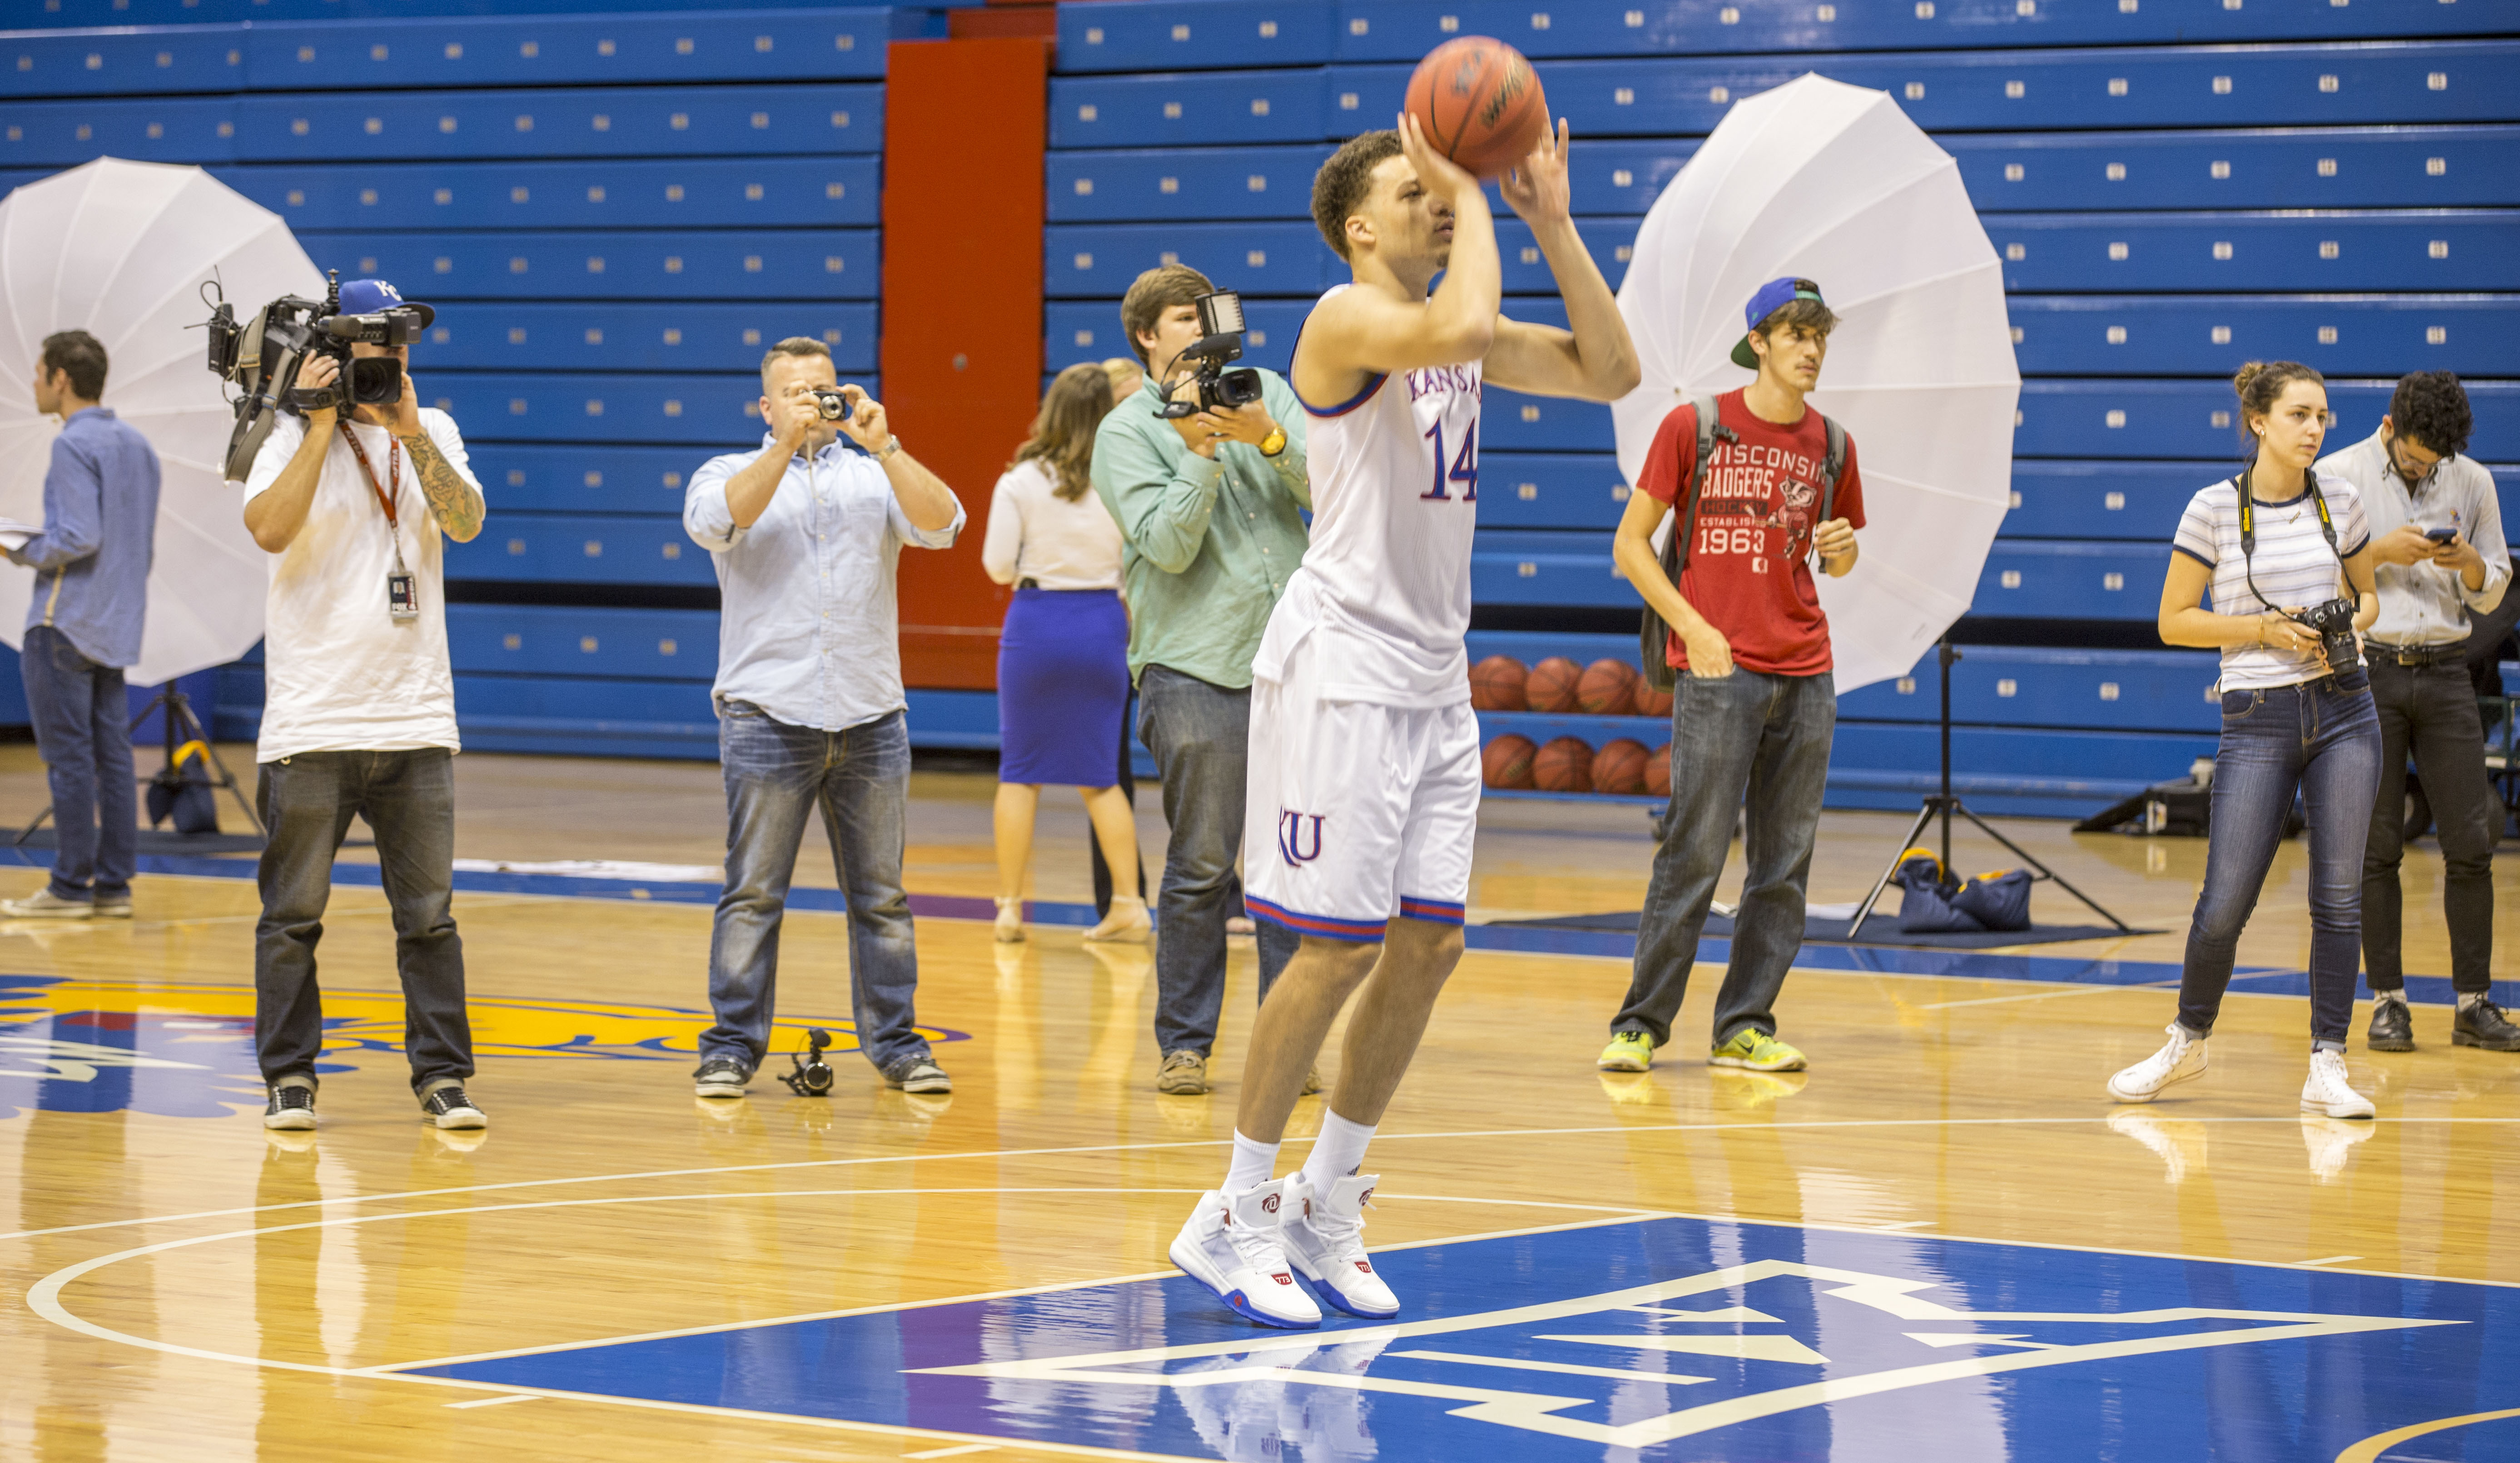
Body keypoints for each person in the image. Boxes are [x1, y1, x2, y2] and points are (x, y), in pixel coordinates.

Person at [1166, 117, 1638, 1329]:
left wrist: (1549, 217)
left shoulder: (1452, 337)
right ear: (1357, 227)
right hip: (1340, 670)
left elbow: (1610, 369)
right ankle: (1231, 1206)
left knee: (1428, 945)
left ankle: (1323, 1201)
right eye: (1411, 191)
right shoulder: (1340, 315)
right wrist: (1476, 186)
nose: (1435, 203)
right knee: (1330, 948)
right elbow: (1463, 321)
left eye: (1440, 192)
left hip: (1432, 677)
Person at [684, 338, 965, 1101]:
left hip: (870, 714)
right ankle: (731, 1048)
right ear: (766, 406)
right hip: (767, 715)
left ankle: (900, 1046)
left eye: (825, 387)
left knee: (881, 897)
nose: (814, 401)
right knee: (753, 893)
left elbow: (945, 525)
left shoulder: (873, 475)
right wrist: (781, 450)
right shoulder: (729, 473)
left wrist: (887, 443)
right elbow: (715, 524)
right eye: (796, 392)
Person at [1596, 278, 1864, 1079]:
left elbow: (1836, 561)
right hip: (1717, 671)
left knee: (1783, 865)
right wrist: (1694, 627)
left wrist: (1842, 549)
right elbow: (1631, 546)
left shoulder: (1835, 446)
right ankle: (1640, 1023)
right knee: (1693, 853)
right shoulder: (1697, 426)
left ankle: (1744, 1024)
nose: (1811, 350)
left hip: (1806, 673)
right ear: (1759, 341)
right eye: (1796, 334)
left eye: (1820, 337)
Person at [239, 279, 489, 1133]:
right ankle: (290, 1079)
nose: (390, 367)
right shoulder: (280, 435)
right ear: (334, 357)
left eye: (401, 351)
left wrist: (410, 435)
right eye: (373, 354)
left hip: (416, 720)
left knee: (429, 920)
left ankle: (444, 1079)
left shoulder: (434, 428)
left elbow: (465, 524)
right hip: (314, 720)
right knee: (293, 917)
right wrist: (316, 426)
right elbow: (270, 529)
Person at [2109, 361, 2381, 1119]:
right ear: (2258, 422)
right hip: (2257, 714)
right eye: (2299, 415)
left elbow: (2368, 599)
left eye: (2323, 416)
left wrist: (2342, 625)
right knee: (2224, 899)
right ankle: (2186, 1039)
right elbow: (2174, 620)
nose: (2315, 429)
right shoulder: (2212, 510)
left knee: (2337, 895)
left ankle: (2327, 1060)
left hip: (2345, 710)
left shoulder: (2341, 499)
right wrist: (2262, 629)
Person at [1092, 263, 1313, 1098]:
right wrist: (1204, 452)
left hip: (1293, 657)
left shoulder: (1267, 392)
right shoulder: (1124, 433)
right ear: (1148, 335)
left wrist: (1267, 435)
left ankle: (1289, 1044)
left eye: (1209, 317)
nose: (1202, 331)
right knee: (1203, 863)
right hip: (1193, 664)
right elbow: (1170, 546)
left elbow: (1330, 492)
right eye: (1186, 319)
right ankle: (1185, 1044)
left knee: (1296, 860)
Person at [2315, 372, 2519, 1053]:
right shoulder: (2336, 474)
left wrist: (2465, 564)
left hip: (2445, 672)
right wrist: (2377, 554)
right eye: (2413, 457)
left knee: (2470, 842)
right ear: (2388, 426)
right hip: (2366, 672)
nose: (2424, 468)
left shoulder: (2473, 481)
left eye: (2435, 462)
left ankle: (2472, 1003)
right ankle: (2387, 1002)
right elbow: (2313, 576)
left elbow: (2494, 594)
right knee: (2374, 848)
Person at [984, 363, 1148, 945]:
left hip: (1037, 623)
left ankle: (1008, 908)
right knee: (1101, 775)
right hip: (1104, 623)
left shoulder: (1021, 480)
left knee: (1020, 772)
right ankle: (1129, 903)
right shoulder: (1124, 476)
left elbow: (998, 565)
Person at [3, 331, 160, 921]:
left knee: (69, 759)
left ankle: (69, 886)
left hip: (64, 623)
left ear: (62, 379)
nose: (35, 381)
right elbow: (133, 543)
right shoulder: (138, 445)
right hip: (116, 623)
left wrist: (17, 547)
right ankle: (113, 887)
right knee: (113, 757)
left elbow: (78, 538)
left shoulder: (72, 446)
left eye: (39, 371)